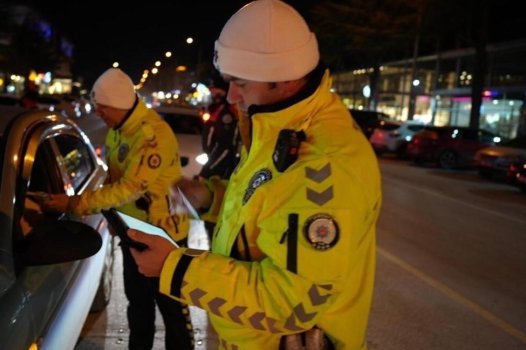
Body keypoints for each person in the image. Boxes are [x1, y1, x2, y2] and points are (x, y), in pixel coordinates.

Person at [126, 1, 382, 349]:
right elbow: (265, 205)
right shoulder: (278, 124)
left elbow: (291, 303)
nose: (231, 96)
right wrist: (210, 198)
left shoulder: (324, 166)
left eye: (240, 83)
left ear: (286, 78)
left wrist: (175, 267)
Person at [39, 67, 194, 350]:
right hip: (133, 232)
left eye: (102, 108)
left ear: (118, 105)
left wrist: (76, 203)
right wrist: (114, 217)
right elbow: (113, 177)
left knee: (173, 311)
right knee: (138, 305)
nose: (98, 113)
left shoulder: (151, 137)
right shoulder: (117, 131)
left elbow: (130, 187)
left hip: (164, 235)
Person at [198, 78, 241, 243]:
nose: (214, 94)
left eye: (217, 92)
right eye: (212, 91)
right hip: (215, 169)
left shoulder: (226, 113)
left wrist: (207, 171)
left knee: (214, 219)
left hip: (220, 174)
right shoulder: (216, 109)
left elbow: (224, 148)